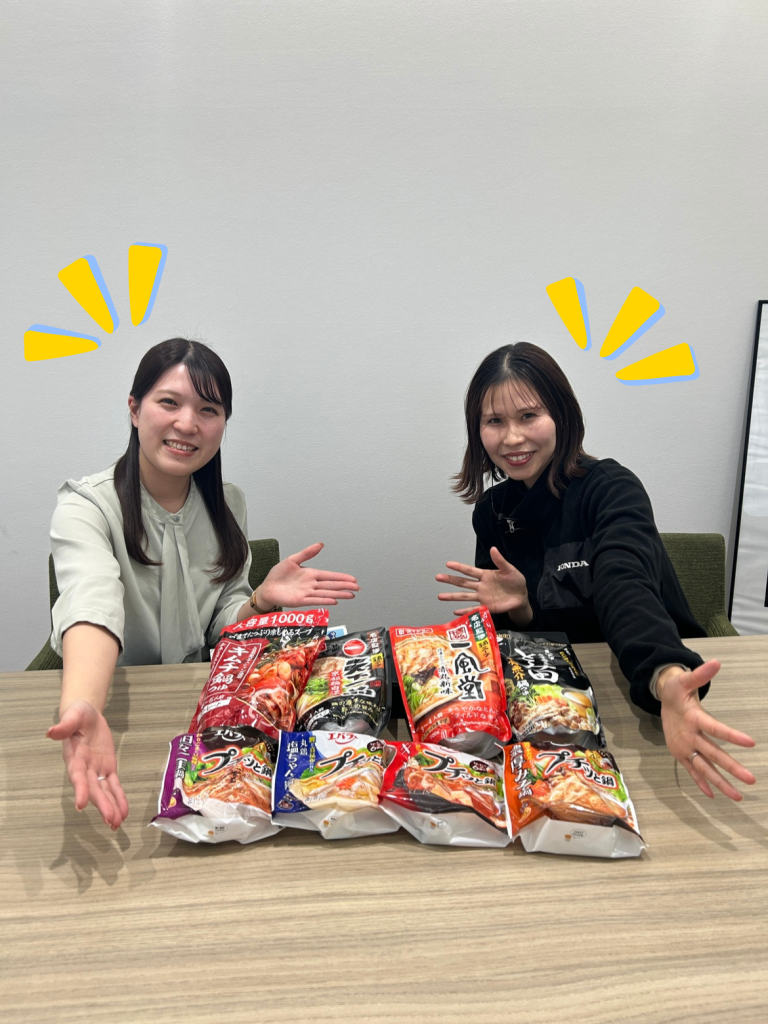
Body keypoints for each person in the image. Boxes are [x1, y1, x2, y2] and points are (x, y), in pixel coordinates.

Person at [46, 338, 359, 830]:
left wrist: (259, 600)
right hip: (118, 704)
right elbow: (91, 602)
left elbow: (221, 621)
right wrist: (83, 703)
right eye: (169, 402)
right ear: (134, 409)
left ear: (223, 424)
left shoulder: (227, 502)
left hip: (201, 705)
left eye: (208, 410)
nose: (188, 424)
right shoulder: (85, 506)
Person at [436, 342, 756, 802]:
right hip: (557, 703)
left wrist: (665, 676)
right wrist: (523, 608)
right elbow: (514, 638)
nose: (512, 438)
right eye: (495, 422)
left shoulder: (610, 488)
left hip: (636, 685)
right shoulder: (492, 511)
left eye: (529, 416)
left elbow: (624, 586)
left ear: (562, 415)